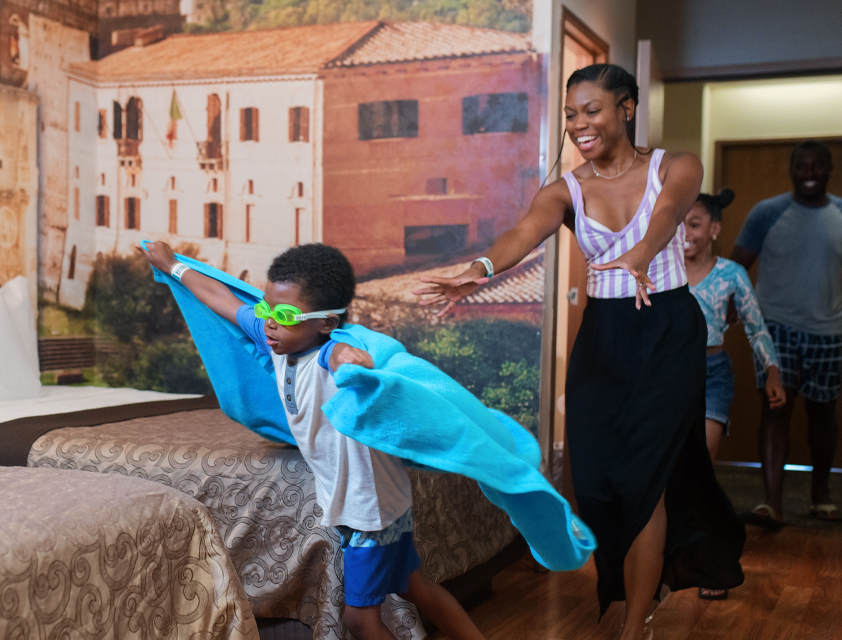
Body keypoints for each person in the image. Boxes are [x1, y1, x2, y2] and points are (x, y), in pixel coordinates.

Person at [413, 64, 745, 640]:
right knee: (590, 480)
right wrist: (481, 269)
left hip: (667, 329)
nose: (579, 124)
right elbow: (523, 232)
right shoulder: (566, 189)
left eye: (591, 110)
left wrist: (642, 252)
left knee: (645, 478)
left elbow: (668, 214)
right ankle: (624, 589)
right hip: (604, 336)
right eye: (570, 114)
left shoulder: (676, 165)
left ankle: (632, 620)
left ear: (627, 108)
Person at [142, 240, 488, 640]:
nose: (270, 322)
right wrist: (173, 267)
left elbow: (340, 352)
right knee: (415, 586)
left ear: (325, 322)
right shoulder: (279, 338)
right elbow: (221, 298)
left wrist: (349, 359)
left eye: (284, 314)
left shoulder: (326, 354)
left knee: (360, 620)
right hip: (374, 504)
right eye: (266, 310)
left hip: (369, 514)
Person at [731, 140, 842, 527]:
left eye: (816, 166)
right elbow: (737, 268)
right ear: (791, 171)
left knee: (823, 414)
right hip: (774, 329)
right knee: (776, 411)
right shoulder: (766, 212)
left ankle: (821, 496)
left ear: (828, 169)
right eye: (801, 167)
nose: (808, 173)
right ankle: (772, 503)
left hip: (829, 330)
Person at [682, 189, 787, 600]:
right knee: (670, 468)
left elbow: (756, 327)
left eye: (693, 223)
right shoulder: (662, 269)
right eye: (679, 224)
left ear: (714, 229)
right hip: (671, 378)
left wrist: (773, 374)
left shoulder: (731, 275)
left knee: (702, 464)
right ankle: (671, 554)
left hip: (713, 374)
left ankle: (712, 559)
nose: (684, 233)